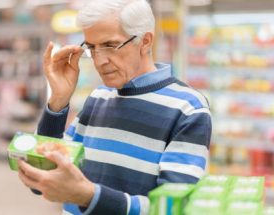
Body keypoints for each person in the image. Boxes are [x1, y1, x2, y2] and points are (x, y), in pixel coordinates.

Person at [17, 0, 212, 214]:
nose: (100, 61)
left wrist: (89, 197)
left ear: (145, 41)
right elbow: (43, 176)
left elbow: (172, 209)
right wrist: (58, 101)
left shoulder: (188, 108)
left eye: (110, 45)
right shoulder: (99, 97)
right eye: (92, 47)